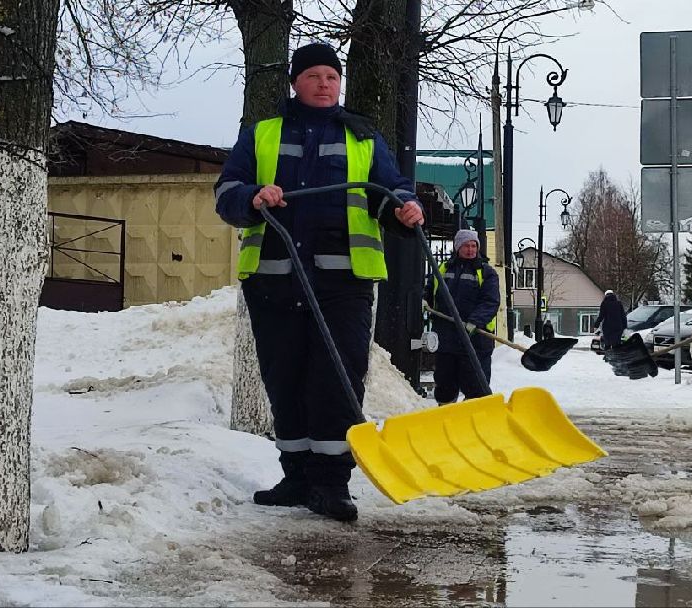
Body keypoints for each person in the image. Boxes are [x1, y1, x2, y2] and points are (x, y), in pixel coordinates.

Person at [213, 42, 424, 522]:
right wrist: (253, 196)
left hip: (342, 283)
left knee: (336, 380)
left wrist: (403, 209)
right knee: (283, 379)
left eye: (332, 76)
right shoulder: (262, 135)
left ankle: (331, 485)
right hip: (275, 281)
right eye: (314, 76)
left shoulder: (364, 138)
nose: (324, 84)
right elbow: (226, 192)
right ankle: (297, 478)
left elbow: (391, 191)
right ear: (296, 82)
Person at [426, 228, 499, 405]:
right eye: (466, 245)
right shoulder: (443, 268)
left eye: (474, 245)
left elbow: (490, 302)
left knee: (476, 386)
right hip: (447, 338)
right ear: (458, 247)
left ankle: (474, 419)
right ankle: (446, 415)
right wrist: (424, 301)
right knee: (445, 383)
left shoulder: (486, 272)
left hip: (475, 340)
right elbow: (430, 291)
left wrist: (474, 322)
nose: (470, 249)